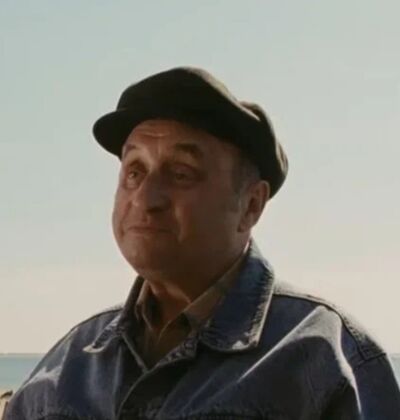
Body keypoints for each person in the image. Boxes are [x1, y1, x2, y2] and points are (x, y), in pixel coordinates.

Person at [5, 67, 400, 420]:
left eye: (181, 173)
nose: (145, 198)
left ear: (251, 205)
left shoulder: (327, 359)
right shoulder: (64, 369)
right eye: (134, 171)